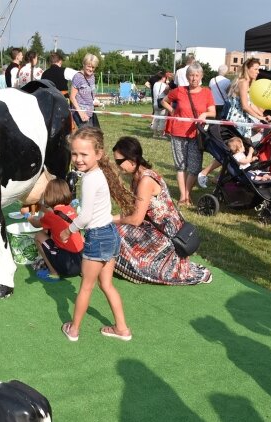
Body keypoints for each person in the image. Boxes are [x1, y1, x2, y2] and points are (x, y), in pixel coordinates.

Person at [59, 127, 133, 342]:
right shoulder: (97, 173)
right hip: (110, 234)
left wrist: (67, 231)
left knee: (86, 287)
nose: (78, 159)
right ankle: (122, 328)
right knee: (107, 285)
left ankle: (73, 329)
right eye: (74, 154)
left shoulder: (90, 179)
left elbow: (85, 217)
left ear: (98, 154)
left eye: (84, 154)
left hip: (98, 237)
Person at [111, 136, 212, 285]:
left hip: (167, 238)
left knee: (115, 230)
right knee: (116, 227)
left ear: (132, 160)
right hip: (161, 230)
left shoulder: (145, 181)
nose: (117, 165)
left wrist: (111, 218)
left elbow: (136, 219)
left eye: (119, 161)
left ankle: (132, 267)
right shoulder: (140, 175)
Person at [198, 58, 271, 189]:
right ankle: (204, 173)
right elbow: (245, 106)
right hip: (237, 122)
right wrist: (259, 119)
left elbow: (251, 105)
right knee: (233, 152)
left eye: (258, 69)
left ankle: (219, 178)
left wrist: (263, 117)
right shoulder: (243, 82)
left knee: (236, 153)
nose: (258, 71)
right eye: (255, 69)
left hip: (243, 122)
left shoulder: (249, 83)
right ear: (247, 69)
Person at [160, 62, 215, 206]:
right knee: (180, 165)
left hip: (196, 134)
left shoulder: (207, 92)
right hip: (178, 132)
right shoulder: (179, 91)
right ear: (187, 77)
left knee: (194, 167)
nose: (194, 78)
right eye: (191, 75)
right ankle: (183, 197)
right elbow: (164, 101)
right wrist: (172, 111)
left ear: (201, 76)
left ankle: (187, 193)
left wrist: (204, 114)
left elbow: (213, 112)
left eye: (197, 75)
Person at [27, 179, 83, 281]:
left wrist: (27, 215)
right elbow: (53, 213)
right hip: (80, 262)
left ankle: (54, 273)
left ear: (48, 194)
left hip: (67, 266)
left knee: (39, 236)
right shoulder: (71, 209)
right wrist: (40, 207)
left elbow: (35, 224)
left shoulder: (50, 216)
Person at [69, 54, 101, 128]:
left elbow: (89, 93)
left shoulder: (92, 76)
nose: (91, 69)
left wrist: (94, 101)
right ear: (83, 64)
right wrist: (81, 113)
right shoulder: (78, 77)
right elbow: (72, 97)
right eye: (89, 66)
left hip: (91, 111)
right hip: (80, 112)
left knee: (96, 135)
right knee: (87, 137)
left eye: (93, 67)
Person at [150, 71, 170, 138]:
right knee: (162, 120)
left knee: (156, 119)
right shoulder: (164, 85)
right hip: (162, 104)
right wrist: (167, 84)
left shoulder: (155, 84)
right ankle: (161, 134)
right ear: (163, 77)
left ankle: (154, 134)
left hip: (155, 103)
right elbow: (167, 93)